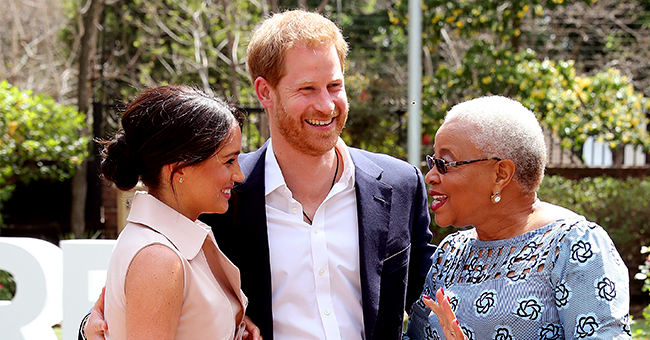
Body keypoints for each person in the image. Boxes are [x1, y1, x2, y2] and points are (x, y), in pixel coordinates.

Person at [82, 9, 436, 340]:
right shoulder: (220, 193)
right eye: (307, 89)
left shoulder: (399, 183)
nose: (327, 105)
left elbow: (429, 303)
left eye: (334, 86)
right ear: (264, 92)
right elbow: (143, 289)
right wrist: (91, 326)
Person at [404, 95, 631, 339]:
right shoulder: (451, 252)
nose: (430, 176)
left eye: (445, 163)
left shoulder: (573, 245)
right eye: (432, 161)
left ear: (501, 174)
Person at [95, 84, 260, 340]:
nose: (239, 175)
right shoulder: (158, 259)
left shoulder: (176, 241)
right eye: (229, 161)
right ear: (179, 168)